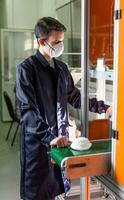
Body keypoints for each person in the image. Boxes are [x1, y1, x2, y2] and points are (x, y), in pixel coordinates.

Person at [16, 17, 112, 200]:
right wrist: (50, 138)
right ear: (41, 41)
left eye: (62, 41)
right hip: (38, 144)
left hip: (60, 142)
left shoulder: (61, 68)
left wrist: (105, 108)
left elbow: (75, 97)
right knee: (37, 192)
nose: (61, 46)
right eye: (56, 42)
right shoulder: (26, 70)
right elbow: (28, 112)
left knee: (55, 188)